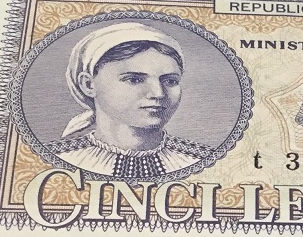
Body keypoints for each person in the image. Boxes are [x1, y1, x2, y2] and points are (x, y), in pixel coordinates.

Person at [56, 21, 211, 180]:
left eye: (170, 81)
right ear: (88, 85)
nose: (158, 93)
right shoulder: (60, 158)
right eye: (134, 80)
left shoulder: (203, 160)